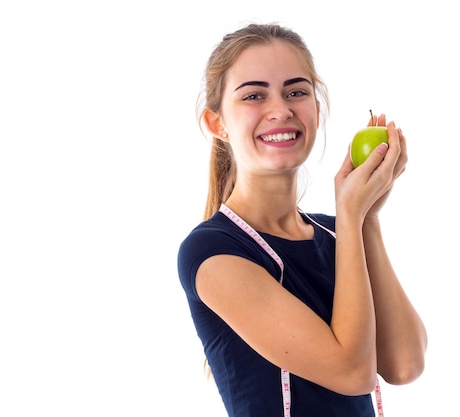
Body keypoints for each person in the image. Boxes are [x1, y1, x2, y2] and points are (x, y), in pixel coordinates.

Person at [177, 22, 427, 417]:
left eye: (296, 92)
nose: (281, 110)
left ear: (316, 108)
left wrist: (366, 219)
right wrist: (350, 214)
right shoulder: (212, 252)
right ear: (217, 124)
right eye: (254, 96)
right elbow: (353, 373)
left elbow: (404, 364)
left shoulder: (336, 230)